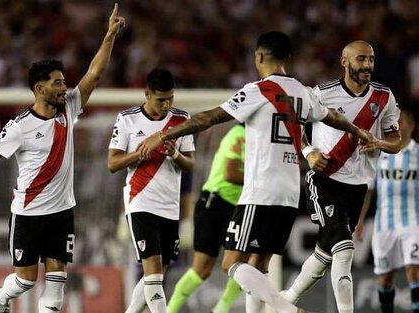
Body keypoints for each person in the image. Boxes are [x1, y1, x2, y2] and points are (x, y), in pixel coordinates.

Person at [137, 31, 373, 313]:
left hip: (260, 191)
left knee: (230, 264)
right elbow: (332, 116)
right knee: (258, 266)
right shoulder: (301, 91)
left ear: (259, 56)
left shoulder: (258, 90)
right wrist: (357, 131)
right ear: (287, 58)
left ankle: (286, 309)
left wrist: (163, 135)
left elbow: (207, 118)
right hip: (288, 195)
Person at [0, 4, 125, 313]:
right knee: (25, 281)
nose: (65, 88)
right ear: (39, 88)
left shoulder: (69, 109)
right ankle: (1, 296)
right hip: (28, 214)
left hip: (62, 211)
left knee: (57, 282)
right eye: (58, 83)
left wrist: (109, 35)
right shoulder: (19, 127)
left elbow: (95, 73)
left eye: (64, 82)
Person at [281, 40, 402, 313]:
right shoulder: (322, 94)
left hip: (358, 185)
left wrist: (379, 143)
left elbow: (396, 140)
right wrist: (309, 151)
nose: (368, 65)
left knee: (325, 253)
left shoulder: (384, 97)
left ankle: (285, 301)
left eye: (371, 59)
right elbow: (292, 123)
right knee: (345, 248)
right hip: (325, 178)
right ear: (344, 62)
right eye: (361, 59)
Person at [107, 68, 195, 313]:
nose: (166, 105)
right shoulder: (127, 119)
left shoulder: (182, 120)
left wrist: (175, 154)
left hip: (170, 206)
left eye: (170, 99)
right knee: (153, 268)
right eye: (160, 100)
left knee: (156, 274)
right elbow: (112, 163)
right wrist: (139, 153)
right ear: (146, 94)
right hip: (140, 201)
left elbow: (190, 164)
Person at [354, 110, 419, 313]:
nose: (397, 125)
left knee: (414, 271)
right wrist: (360, 221)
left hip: (414, 222)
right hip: (384, 224)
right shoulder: (379, 153)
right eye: (395, 122)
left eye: (402, 122)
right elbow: (368, 190)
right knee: (385, 278)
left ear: (411, 126)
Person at [167, 123, 245, 313]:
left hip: (239, 206)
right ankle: (169, 310)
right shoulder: (239, 134)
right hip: (215, 203)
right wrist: (264, 178)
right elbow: (230, 173)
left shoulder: (261, 138)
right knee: (202, 269)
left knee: (245, 264)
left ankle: (221, 310)